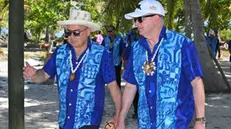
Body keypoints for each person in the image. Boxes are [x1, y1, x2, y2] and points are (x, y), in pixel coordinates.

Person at [23, 8, 121, 129]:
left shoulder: (101, 54)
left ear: (88, 31)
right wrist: (33, 74)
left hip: (89, 122)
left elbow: (113, 86)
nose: (71, 37)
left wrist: (118, 116)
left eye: (76, 32)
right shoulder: (60, 53)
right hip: (64, 122)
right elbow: (43, 75)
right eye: (68, 33)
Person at [116, 0, 205, 129]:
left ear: (156, 19)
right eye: (135, 20)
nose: (136, 24)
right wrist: (121, 118)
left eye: (140, 19)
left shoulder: (181, 44)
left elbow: (196, 83)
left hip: (176, 124)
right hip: (145, 124)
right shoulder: (136, 49)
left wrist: (200, 121)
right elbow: (130, 86)